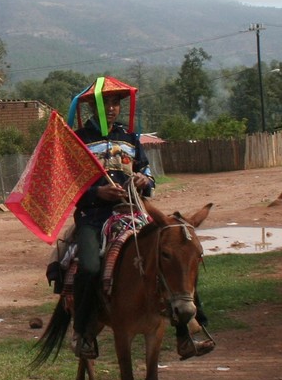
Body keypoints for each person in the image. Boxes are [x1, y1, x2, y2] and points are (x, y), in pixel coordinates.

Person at [67, 77, 213, 360]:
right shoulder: (80, 141)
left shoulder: (130, 138)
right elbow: (72, 187)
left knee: (177, 254)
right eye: (106, 102)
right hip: (94, 216)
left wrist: (142, 178)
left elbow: (148, 173)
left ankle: (189, 334)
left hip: (134, 212)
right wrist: (99, 192)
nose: (112, 108)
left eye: (116, 103)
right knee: (89, 265)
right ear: (93, 106)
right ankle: (84, 332)